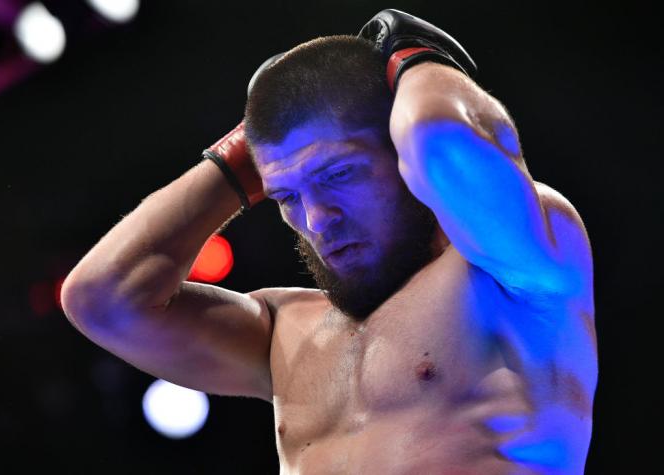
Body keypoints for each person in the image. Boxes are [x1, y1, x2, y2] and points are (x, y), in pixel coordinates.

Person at [61, 9, 597, 474]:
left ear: (399, 152)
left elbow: (441, 140)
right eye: (287, 196)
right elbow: (100, 298)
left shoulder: (513, 267)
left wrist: (417, 58)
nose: (317, 219)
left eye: (339, 175)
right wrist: (250, 152)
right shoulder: (282, 331)